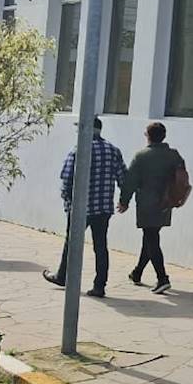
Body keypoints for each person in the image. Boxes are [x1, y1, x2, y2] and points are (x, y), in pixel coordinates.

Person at [44, 117, 125, 298]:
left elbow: (67, 178)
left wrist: (67, 201)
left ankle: (62, 276)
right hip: (103, 208)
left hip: (81, 208)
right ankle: (100, 285)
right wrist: (124, 200)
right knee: (101, 246)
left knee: (71, 242)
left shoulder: (79, 150)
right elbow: (123, 178)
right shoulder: (113, 150)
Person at [120, 121, 184, 295]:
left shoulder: (141, 156)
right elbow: (180, 176)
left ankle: (162, 278)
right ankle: (137, 272)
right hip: (166, 202)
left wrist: (124, 201)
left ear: (148, 136)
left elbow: (131, 181)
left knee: (151, 238)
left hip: (147, 204)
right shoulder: (174, 155)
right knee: (150, 237)